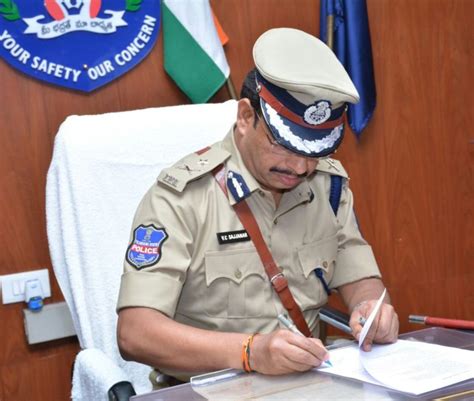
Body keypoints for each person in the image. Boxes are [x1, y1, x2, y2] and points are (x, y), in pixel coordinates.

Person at [116, 28, 399, 387]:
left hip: (311, 384)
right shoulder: (182, 198)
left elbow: (359, 276)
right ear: (245, 117)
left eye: (314, 152)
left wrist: (371, 308)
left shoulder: (328, 187)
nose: (300, 168)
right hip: (209, 389)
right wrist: (250, 352)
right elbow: (135, 333)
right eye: (285, 146)